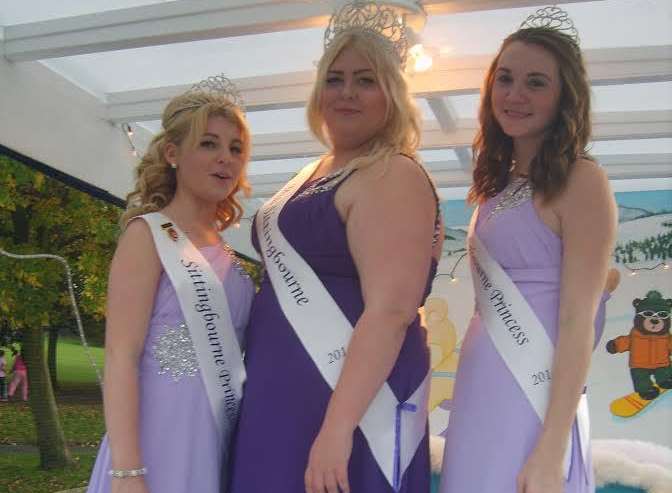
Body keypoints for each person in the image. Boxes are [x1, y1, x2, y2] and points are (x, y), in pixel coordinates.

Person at [229, 2, 443, 493]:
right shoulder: (316, 171)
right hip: (281, 392)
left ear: (392, 93)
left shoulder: (392, 172)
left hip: (342, 404)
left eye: (366, 80)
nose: (347, 92)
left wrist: (336, 428)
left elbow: (391, 312)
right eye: (335, 78)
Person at [439, 7, 617, 493]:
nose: (515, 95)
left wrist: (552, 446)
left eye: (536, 83)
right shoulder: (493, 187)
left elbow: (578, 320)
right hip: (480, 380)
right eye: (506, 79)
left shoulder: (583, 181)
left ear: (565, 97)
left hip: (532, 391)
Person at [86, 76, 254, 493]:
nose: (225, 160)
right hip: (154, 440)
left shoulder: (233, 257)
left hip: (213, 437)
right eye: (209, 144)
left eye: (236, 148)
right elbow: (120, 357)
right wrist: (127, 472)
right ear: (173, 154)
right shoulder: (148, 235)